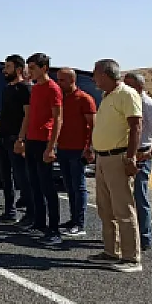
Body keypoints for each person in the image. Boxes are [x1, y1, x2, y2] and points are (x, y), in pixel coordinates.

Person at [89, 59, 144, 273]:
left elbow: (136, 126)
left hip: (117, 157)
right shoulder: (107, 96)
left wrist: (131, 158)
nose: (93, 78)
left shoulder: (127, 94)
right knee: (105, 208)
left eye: (95, 74)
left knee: (123, 208)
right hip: (102, 158)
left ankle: (131, 257)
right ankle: (111, 251)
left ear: (105, 74)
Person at [16, 53, 64, 246]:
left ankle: (54, 229)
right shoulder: (35, 89)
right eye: (29, 67)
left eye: (34, 67)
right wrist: (22, 138)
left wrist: (52, 147)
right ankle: (39, 222)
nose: (30, 71)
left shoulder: (53, 88)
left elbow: (58, 118)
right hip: (32, 141)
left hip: (45, 141)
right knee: (33, 183)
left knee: (47, 187)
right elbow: (28, 117)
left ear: (44, 68)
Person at [124, 72, 152, 251]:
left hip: (141, 154)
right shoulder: (125, 100)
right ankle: (127, 235)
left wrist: (151, 153)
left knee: (139, 196)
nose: (125, 88)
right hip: (125, 153)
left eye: (129, 85)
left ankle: (144, 237)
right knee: (123, 197)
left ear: (140, 87)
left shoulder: (148, 105)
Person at [55, 68, 96, 237]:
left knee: (78, 187)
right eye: (58, 80)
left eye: (62, 80)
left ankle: (79, 223)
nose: (59, 83)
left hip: (78, 150)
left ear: (72, 80)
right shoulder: (61, 99)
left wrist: (90, 148)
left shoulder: (85, 99)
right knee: (69, 186)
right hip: (63, 148)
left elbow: (93, 126)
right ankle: (72, 219)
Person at [0, 55, 31, 224]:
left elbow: (27, 116)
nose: (4, 70)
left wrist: (21, 139)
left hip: (16, 139)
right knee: (5, 178)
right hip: (4, 139)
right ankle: (9, 212)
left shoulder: (25, 88)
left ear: (18, 69)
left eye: (8, 67)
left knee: (21, 177)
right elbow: (3, 116)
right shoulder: (7, 88)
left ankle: (31, 213)